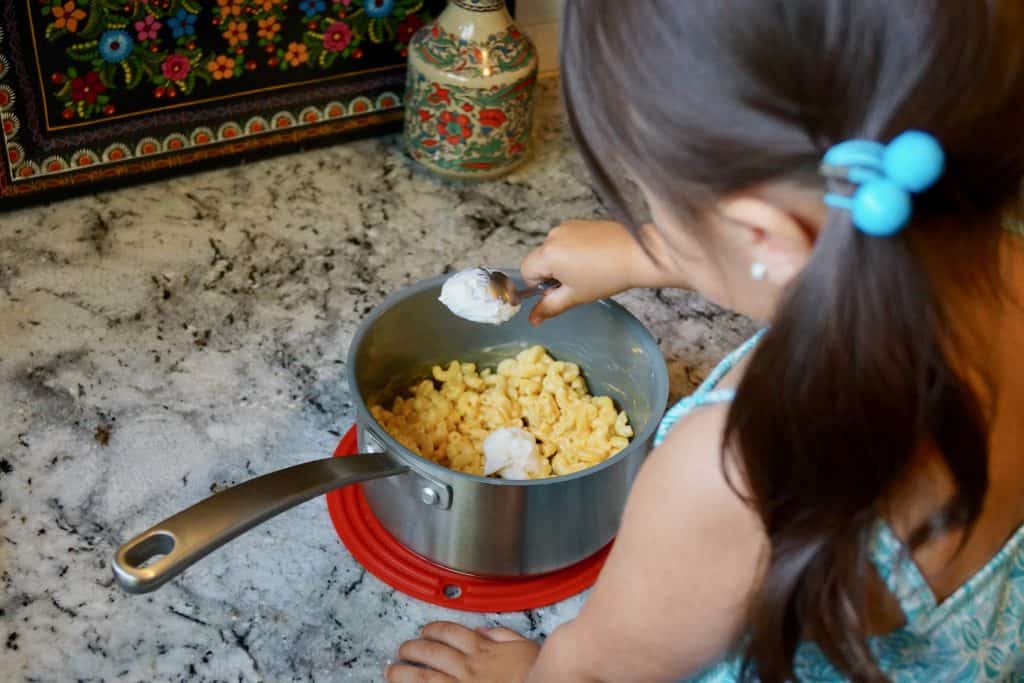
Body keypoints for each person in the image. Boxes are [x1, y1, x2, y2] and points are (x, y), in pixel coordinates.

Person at [386, 1, 1024, 680]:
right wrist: (654, 251)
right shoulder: (992, 254)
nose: (645, 208)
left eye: (647, 194)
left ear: (763, 237)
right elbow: (839, 240)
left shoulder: (735, 477)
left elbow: (597, 674)